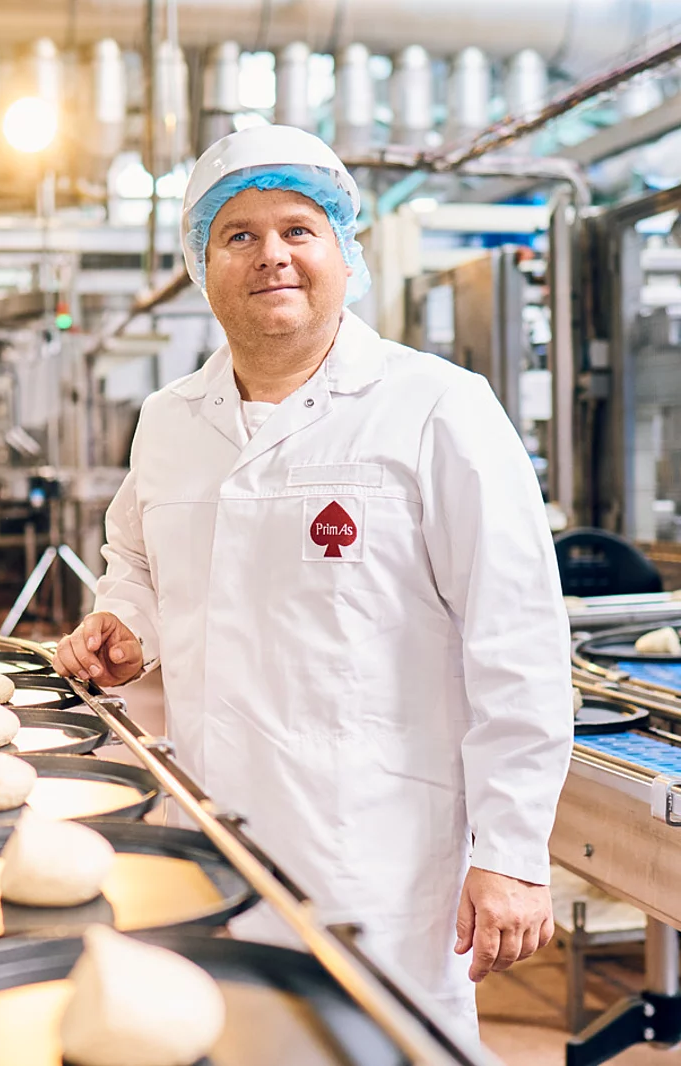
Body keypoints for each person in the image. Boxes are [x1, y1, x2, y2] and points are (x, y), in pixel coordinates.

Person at [53, 124, 574, 1035]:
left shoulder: (438, 408)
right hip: (212, 835)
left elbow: (516, 638)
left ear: (344, 249)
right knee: (236, 1039)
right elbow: (135, 559)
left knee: (382, 1045)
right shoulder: (170, 422)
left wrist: (516, 851)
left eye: (299, 229)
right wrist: (124, 622)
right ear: (203, 262)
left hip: (377, 851)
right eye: (239, 235)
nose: (273, 257)